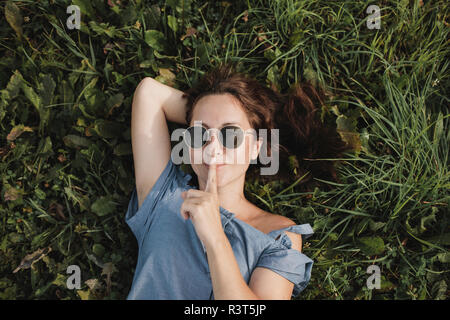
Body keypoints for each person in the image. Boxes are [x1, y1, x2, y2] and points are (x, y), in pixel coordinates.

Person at [124, 62, 350, 300]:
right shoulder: (162, 198)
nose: (212, 147)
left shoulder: (278, 234)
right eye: (199, 134)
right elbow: (149, 93)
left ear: (255, 148)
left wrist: (214, 237)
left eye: (230, 135)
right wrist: (209, 114)